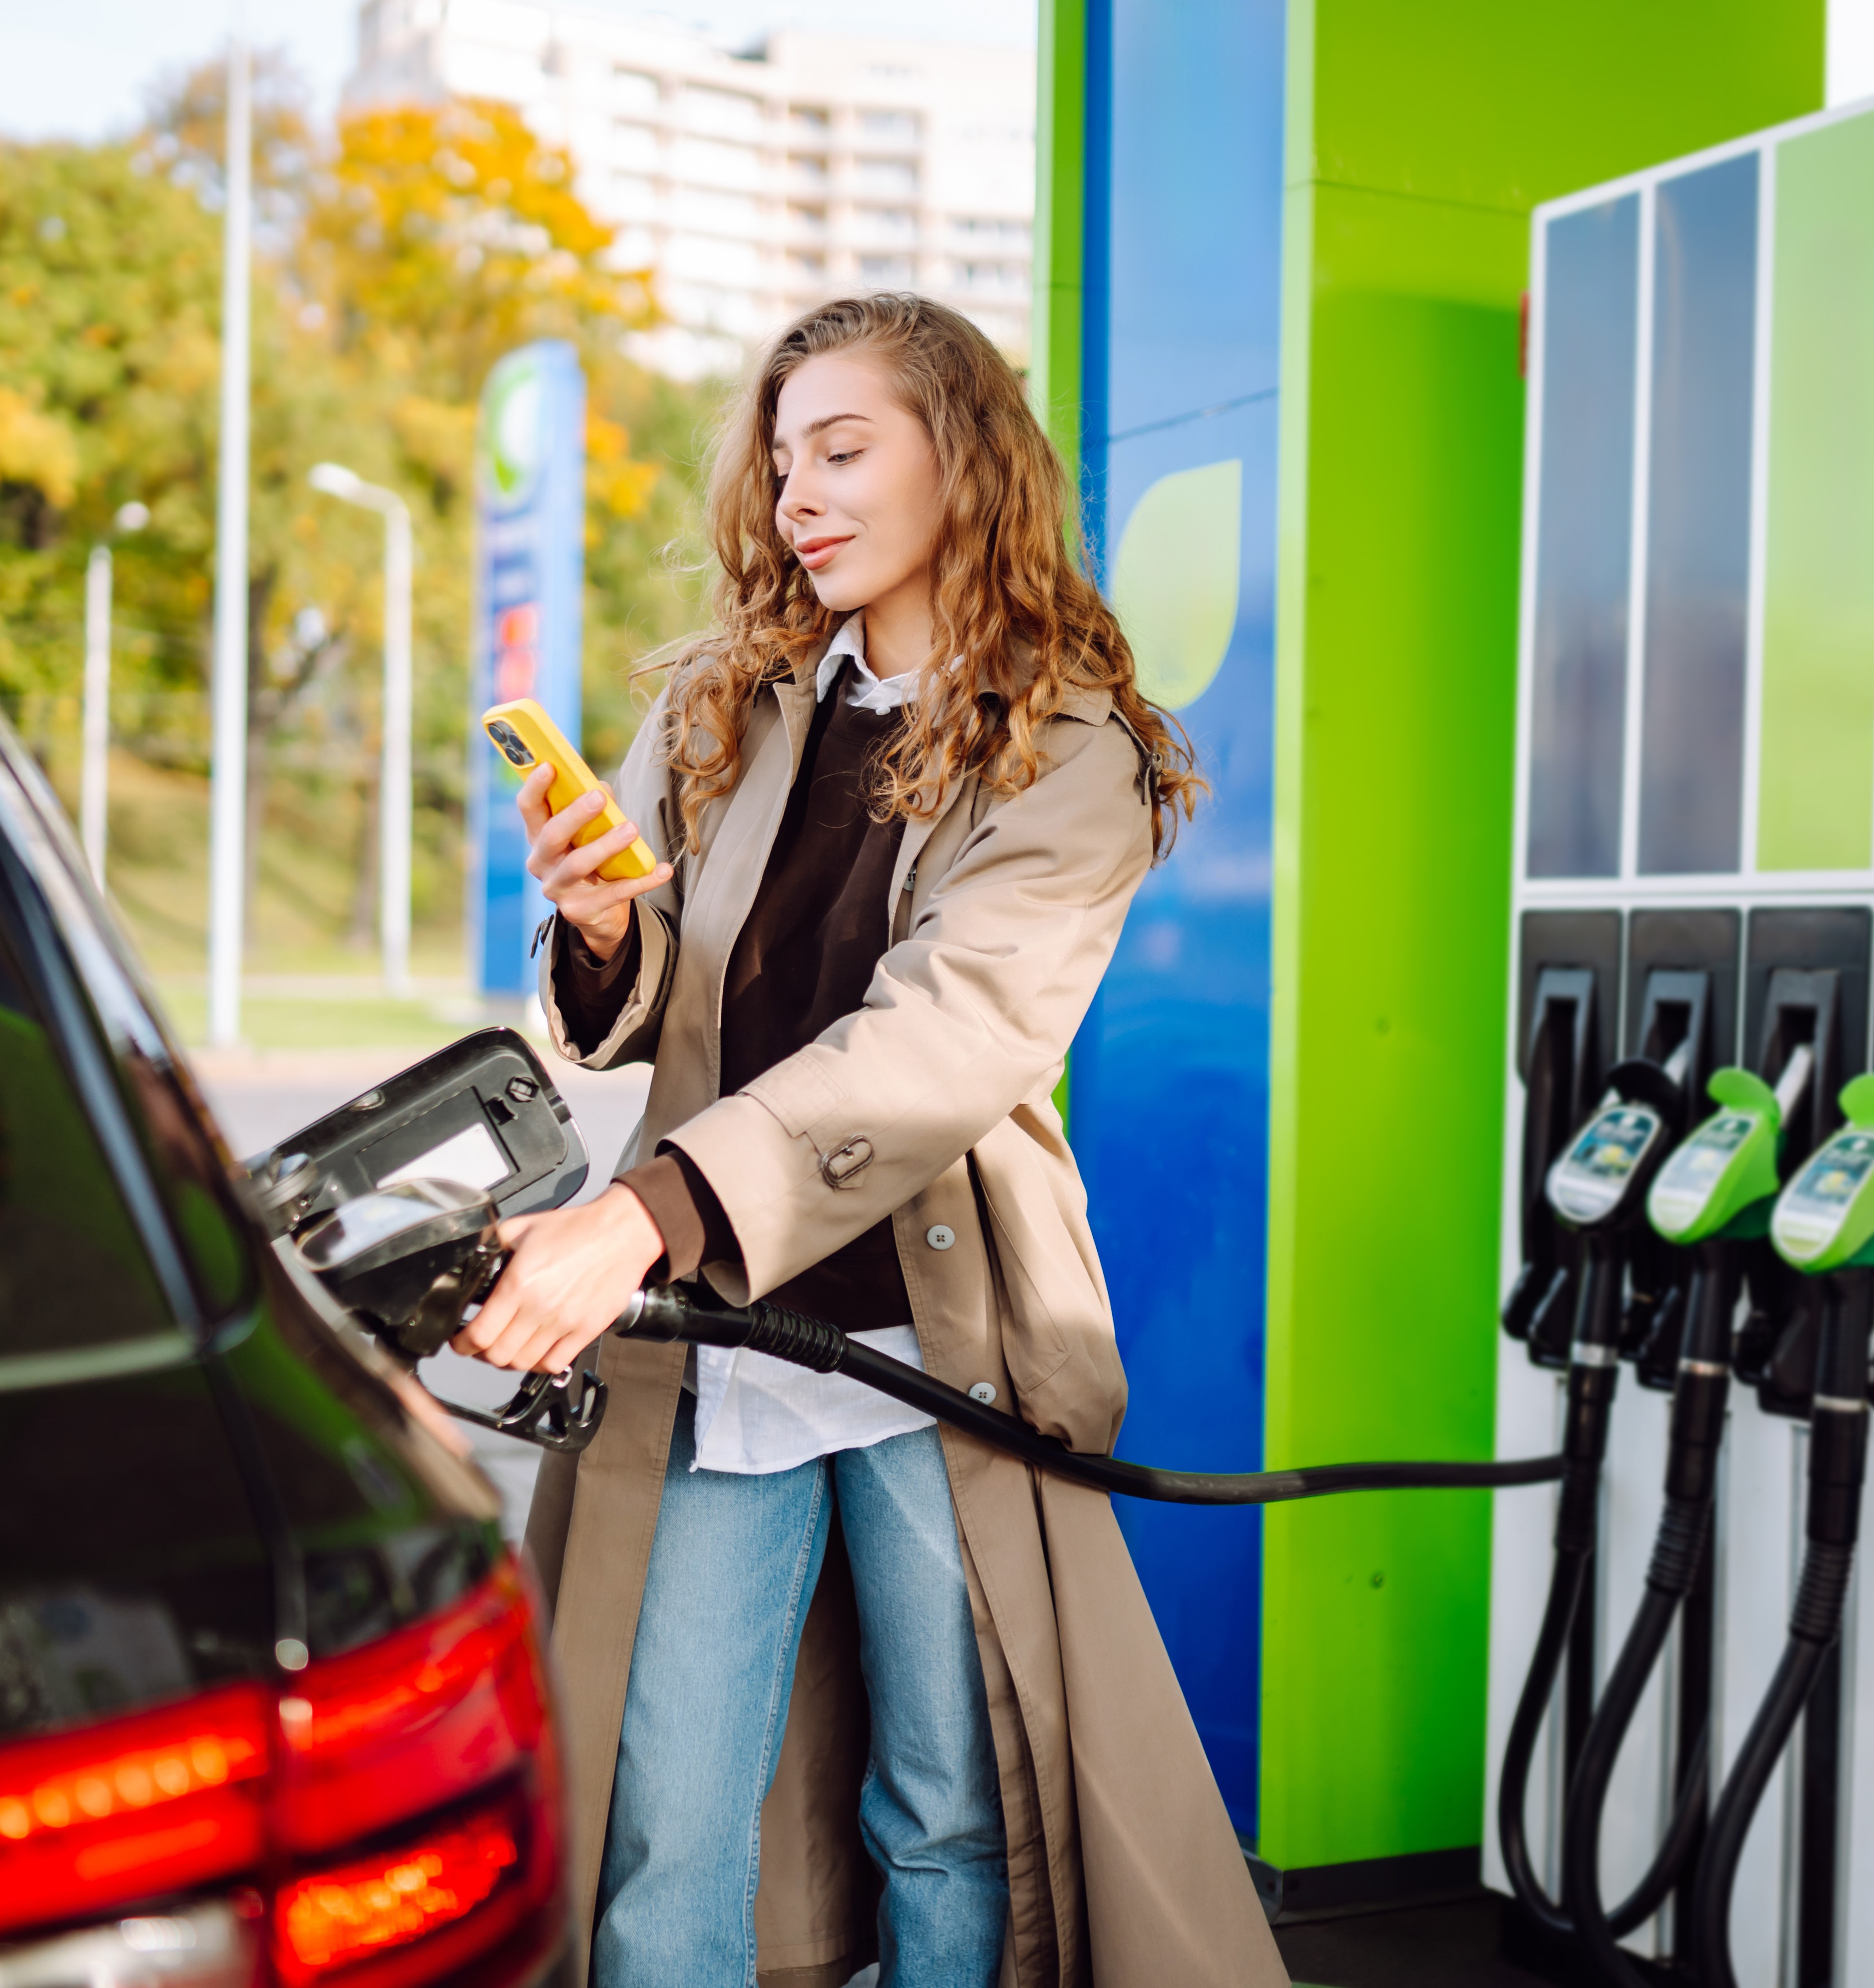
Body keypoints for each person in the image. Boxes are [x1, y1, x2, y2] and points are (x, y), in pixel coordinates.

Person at [456, 294, 1288, 1988]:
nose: (798, 499)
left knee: (951, 1815)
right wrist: (610, 928)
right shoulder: (720, 704)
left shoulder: (1077, 751)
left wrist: (649, 1219)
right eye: (781, 463)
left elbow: (948, 1039)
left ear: (963, 463)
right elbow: (632, 1016)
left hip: (941, 1346)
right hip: (721, 1343)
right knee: (664, 1813)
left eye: (844, 450)